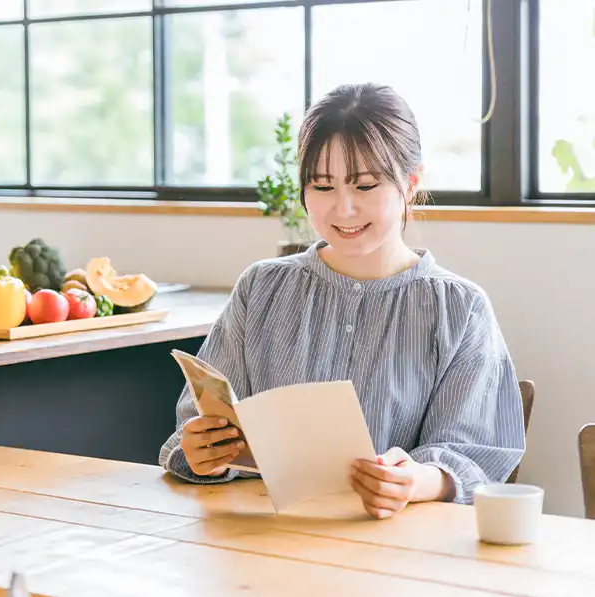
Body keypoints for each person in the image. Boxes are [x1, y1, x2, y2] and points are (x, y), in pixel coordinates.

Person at [158, 82, 526, 519]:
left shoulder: (459, 308)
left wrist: (417, 481)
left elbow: (474, 455)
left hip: (395, 551)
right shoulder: (260, 288)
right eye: (322, 186)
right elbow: (196, 427)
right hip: (261, 541)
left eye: (366, 185)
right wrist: (202, 450)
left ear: (410, 184)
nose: (343, 210)